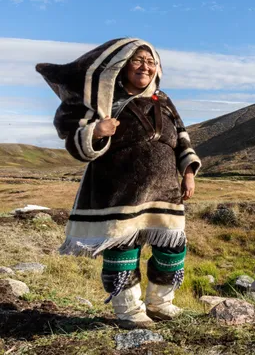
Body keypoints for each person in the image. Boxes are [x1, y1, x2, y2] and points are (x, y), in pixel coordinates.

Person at [36, 38, 201, 329]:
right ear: (123, 66)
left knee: (172, 247)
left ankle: (160, 303)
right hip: (118, 188)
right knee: (124, 248)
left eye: (151, 62)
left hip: (165, 189)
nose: (145, 67)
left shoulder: (164, 100)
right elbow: (73, 138)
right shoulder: (104, 100)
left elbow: (182, 136)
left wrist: (188, 170)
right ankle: (129, 311)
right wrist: (97, 130)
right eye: (138, 60)